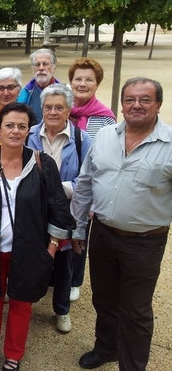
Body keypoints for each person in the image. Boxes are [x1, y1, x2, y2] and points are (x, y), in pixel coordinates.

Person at [71, 78, 171, 371]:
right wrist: (79, 226)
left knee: (137, 313)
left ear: (158, 104)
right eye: (130, 100)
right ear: (122, 104)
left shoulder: (170, 144)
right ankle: (106, 348)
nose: (136, 105)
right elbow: (85, 183)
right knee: (104, 299)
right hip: (103, 234)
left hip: (145, 242)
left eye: (145, 100)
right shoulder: (105, 137)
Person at [0, 103, 74, 371]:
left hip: (30, 249)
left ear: (28, 130)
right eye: (9, 125)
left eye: (22, 126)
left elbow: (58, 207)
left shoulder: (41, 163)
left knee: (22, 301)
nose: (16, 131)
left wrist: (51, 247)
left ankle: (13, 353)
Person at [27, 84, 92, 333]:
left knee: (65, 261)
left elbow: (87, 179)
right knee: (32, 256)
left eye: (59, 107)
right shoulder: (30, 134)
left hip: (67, 210)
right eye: (48, 107)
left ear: (68, 110)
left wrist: (55, 188)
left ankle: (62, 309)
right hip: (33, 209)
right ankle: (28, 299)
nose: (53, 112)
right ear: (42, 109)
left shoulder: (81, 139)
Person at [67, 57, 116, 302]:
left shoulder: (105, 118)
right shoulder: (61, 110)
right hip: (61, 184)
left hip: (87, 189)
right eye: (78, 79)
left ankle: (75, 280)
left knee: (79, 233)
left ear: (97, 84)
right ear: (71, 82)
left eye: (89, 79)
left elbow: (107, 157)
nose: (83, 84)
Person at [18, 48, 60, 122]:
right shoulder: (25, 93)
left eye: (45, 64)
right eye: (37, 64)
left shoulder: (64, 93)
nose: (41, 68)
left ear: (54, 67)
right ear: (32, 68)